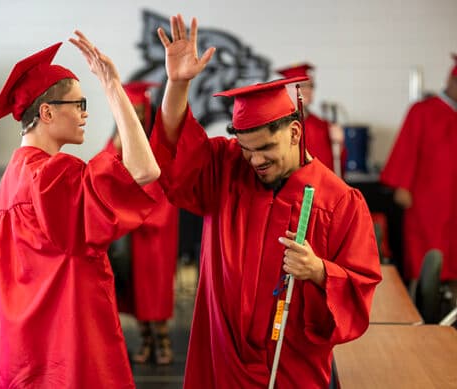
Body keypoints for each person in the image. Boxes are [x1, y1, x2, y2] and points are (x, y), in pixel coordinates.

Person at [150, 14, 381, 388]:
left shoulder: (340, 203)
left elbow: (361, 286)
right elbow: (175, 152)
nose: (255, 160)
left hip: (290, 369)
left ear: (294, 132)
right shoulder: (226, 169)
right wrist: (178, 84)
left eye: (265, 149)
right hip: (222, 360)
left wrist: (319, 270)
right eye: (246, 149)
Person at [0, 31, 160, 388]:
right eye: (78, 105)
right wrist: (113, 88)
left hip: (27, 347)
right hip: (67, 347)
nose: (84, 114)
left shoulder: (15, 174)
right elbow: (145, 169)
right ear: (46, 112)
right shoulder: (53, 175)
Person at [101, 81, 179, 365]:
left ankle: (164, 341)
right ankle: (146, 340)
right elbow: (103, 175)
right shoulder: (117, 141)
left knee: (155, 289)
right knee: (132, 288)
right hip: (128, 231)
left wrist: (141, 215)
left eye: (137, 111)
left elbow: (166, 187)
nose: (133, 116)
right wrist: (117, 144)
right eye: (128, 111)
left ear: (147, 112)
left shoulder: (159, 143)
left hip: (154, 230)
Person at [380, 54, 457, 288]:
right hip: (426, 198)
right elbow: (407, 148)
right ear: (452, 81)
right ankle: (421, 302)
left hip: (453, 198)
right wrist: (402, 185)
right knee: (425, 253)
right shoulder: (423, 110)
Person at [275, 63, 347, 177]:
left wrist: (339, 145)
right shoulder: (276, 126)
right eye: (302, 85)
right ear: (286, 89)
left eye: (311, 86)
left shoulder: (323, 125)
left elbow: (337, 168)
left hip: (321, 189)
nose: (308, 90)